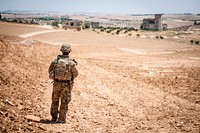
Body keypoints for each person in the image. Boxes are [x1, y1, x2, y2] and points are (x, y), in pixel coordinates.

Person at [48, 43, 78, 123]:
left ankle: (54, 117)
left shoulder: (55, 61)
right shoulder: (71, 63)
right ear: (69, 51)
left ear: (61, 50)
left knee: (55, 100)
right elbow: (76, 74)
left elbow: (50, 71)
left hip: (56, 84)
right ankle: (61, 119)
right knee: (64, 101)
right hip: (66, 85)